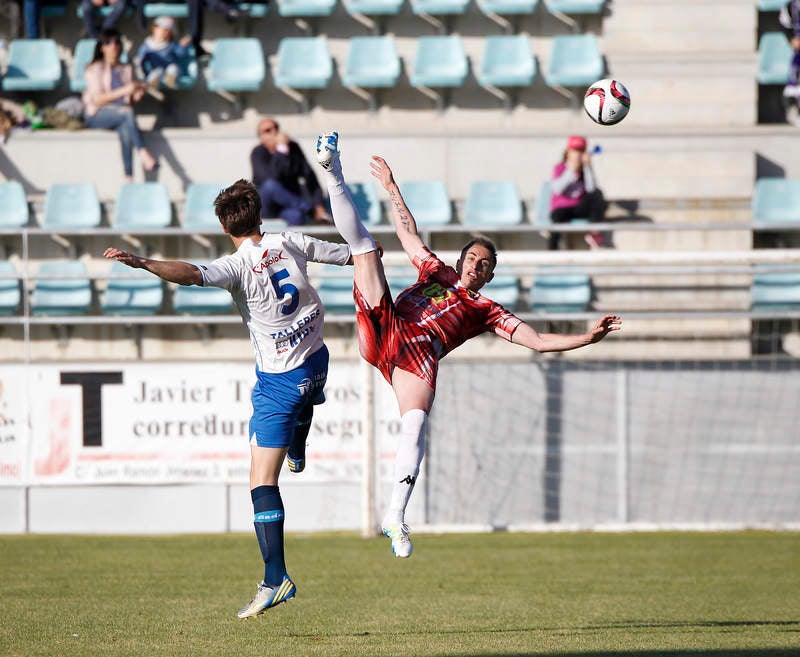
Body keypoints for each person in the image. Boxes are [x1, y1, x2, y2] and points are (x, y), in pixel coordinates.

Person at [314, 131, 622, 558]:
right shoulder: (434, 271)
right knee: (367, 249)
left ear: (491, 276)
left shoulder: (487, 310)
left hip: (419, 358)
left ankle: (395, 517)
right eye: (473, 259)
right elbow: (407, 233)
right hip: (389, 326)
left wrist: (589, 336)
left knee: (416, 425)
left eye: (486, 265)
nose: (477, 266)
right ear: (460, 261)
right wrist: (391, 188)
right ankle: (333, 172)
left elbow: (537, 340)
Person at [103, 179, 352, 619]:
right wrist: (366, 252)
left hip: (280, 382)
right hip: (317, 360)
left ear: (224, 225)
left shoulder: (236, 266)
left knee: (261, 485)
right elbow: (347, 253)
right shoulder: (288, 240)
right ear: (260, 215)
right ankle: (298, 443)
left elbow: (191, 274)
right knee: (302, 407)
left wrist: (142, 262)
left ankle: (276, 578)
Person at [83, 28, 158, 182]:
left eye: (117, 42)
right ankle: (143, 151)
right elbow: (98, 99)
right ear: (102, 47)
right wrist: (125, 90)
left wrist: (135, 95)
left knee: (126, 130)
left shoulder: (126, 68)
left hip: (119, 114)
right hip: (96, 114)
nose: (113, 46)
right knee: (127, 113)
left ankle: (128, 177)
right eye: (108, 43)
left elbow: (127, 101)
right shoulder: (94, 68)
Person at [251, 117, 330, 226]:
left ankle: (293, 242)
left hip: (288, 207)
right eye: (267, 131)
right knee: (270, 186)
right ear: (261, 138)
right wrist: (281, 149)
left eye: (276, 128)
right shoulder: (258, 153)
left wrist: (319, 204)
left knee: (296, 216)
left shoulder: (293, 148)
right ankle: (308, 209)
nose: (274, 132)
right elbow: (272, 177)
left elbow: (310, 177)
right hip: (266, 207)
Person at [548, 135, 606, 250]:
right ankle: (552, 251)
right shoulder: (560, 168)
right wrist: (571, 170)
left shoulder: (584, 170)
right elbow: (557, 189)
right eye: (575, 151)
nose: (578, 154)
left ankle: (594, 232)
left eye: (581, 151)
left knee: (597, 194)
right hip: (562, 209)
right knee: (557, 220)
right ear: (568, 152)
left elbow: (591, 189)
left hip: (579, 207)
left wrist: (587, 167)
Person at [135, 16, 191, 90]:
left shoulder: (170, 45)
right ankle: (153, 81)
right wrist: (140, 62)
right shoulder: (147, 45)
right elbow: (140, 57)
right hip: (155, 68)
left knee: (173, 68)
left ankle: (170, 79)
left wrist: (182, 46)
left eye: (167, 31)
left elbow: (180, 53)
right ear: (154, 29)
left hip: (169, 66)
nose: (164, 33)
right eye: (162, 30)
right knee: (157, 72)